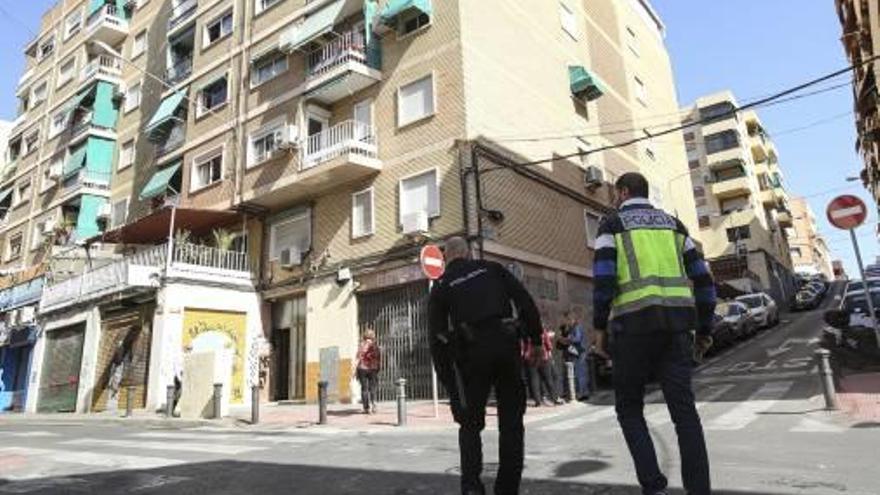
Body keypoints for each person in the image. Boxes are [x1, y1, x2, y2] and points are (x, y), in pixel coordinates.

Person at [592, 172, 716, 495]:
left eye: (615, 194)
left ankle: (653, 486)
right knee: (685, 416)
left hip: (632, 330)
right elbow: (704, 281)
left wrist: (598, 328)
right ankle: (699, 490)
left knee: (630, 409)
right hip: (676, 331)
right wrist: (704, 329)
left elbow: (604, 280)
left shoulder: (611, 225)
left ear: (622, 192)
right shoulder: (676, 226)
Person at [429, 236, 542, 495]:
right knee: (512, 423)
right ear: (468, 253)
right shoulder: (492, 269)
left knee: (469, 425)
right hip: (505, 348)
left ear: (446, 257)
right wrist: (535, 339)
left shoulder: (443, 284)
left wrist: (450, 384)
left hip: (470, 358)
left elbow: (436, 338)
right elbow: (525, 301)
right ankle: (507, 489)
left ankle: (472, 487)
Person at [527, 326, 562, 406]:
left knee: (534, 380)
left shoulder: (526, 331)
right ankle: (555, 398)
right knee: (548, 379)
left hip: (531, 358)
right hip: (543, 357)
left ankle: (538, 401)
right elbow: (548, 345)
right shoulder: (542, 331)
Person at [356, 328, 381, 414]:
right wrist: (378, 367)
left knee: (364, 389)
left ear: (364, 336)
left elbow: (358, 357)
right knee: (372, 388)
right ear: (373, 336)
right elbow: (378, 357)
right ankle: (374, 405)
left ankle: (366, 408)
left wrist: (354, 369)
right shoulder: (375, 345)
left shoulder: (361, 344)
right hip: (373, 369)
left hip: (362, 368)